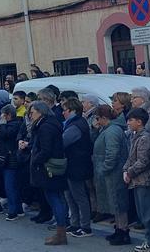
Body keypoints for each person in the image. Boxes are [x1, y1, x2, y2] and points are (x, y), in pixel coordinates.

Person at [23, 101, 68, 246]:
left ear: (41, 112)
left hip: (49, 167)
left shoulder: (46, 127)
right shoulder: (49, 124)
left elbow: (46, 150)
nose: (30, 115)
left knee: (55, 198)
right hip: (51, 165)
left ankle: (61, 233)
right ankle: (61, 232)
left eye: (33, 112)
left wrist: (35, 160)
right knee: (56, 198)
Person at [124, 108, 150, 252]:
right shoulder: (135, 136)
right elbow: (130, 157)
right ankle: (149, 240)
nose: (128, 123)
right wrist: (125, 170)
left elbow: (143, 161)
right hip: (136, 179)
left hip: (144, 179)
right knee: (143, 213)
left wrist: (129, 172)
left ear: (139, 122)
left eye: (131, 120)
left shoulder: (145, 137)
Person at [94, 104, 131, 246]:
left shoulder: (112, 131)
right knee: (115, 203)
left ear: (104, 117)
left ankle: (123, 232)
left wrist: (105, 168)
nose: (96, 121)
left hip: (113, 173)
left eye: (97, 118)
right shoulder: (107, 129)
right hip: (110, 172)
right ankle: (119, 229)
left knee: (118, 203)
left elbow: (112, 153)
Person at [61, 97, 94, 237]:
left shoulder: (76, 125)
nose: (63, 113)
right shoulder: (74, 123)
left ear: (72, 111)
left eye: (65, 110)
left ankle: (85, 226)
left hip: (77, 165)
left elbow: (62, 142)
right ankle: (75, 223)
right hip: (73, 164)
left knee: (79, 196)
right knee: (70, 195)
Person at [0, 104, 23, 219]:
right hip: (4, 158)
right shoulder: (6, 125)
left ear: (8, 115)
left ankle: (13, 211)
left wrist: (2, 125)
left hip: (11, 158)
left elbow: (6, 134)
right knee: (11, 185)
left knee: (10, 186)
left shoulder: (15, 124)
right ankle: (18, 209)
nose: (1, 117)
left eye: (3, 115)